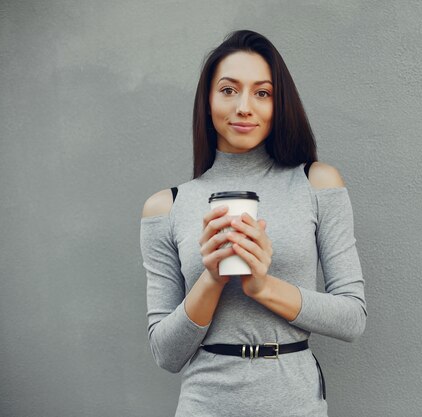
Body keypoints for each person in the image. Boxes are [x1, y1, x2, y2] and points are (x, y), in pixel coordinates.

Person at [139, 29, 366, 416]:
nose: (244, 106)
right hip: (204, 406)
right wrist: (211, 278)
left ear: (279, 104)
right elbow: (166, 353)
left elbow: (352, 318)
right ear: (207, 100)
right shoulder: (167, 208)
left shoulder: (317, 183)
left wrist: (262, 286)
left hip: (296, 405)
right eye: (228, 90)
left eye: (262, 93)